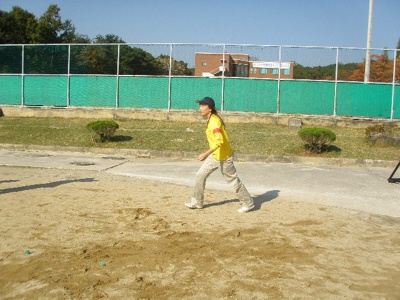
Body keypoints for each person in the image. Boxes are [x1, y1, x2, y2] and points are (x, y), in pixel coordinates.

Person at [185, 97, 255, 213]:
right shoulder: (211, 119)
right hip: (216, 155)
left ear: (210, 108)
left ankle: (248, 203)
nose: (200, 108)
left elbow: (219, 141)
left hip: (224, 157)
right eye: (200, 105)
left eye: (202, 106)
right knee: (200, 175)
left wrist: (205, 154)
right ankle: (197, 202)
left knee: (233, 181)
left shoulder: (214, 121)